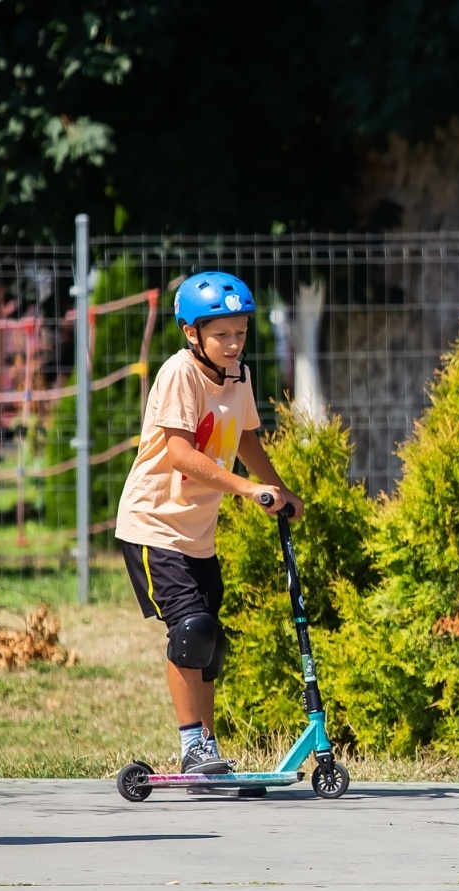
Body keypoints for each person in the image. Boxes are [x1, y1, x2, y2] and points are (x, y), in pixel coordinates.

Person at [115, 271, 304, 775]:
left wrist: (279, 489)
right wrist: (246, 489)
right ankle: (190, 746)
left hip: (197, 533)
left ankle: (208, 749)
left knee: (211, 643)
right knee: (190, 631)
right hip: (155, 524)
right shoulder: (179, 374)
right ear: (190, 332)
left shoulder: (237, 374)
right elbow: (179, 453)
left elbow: (245, 440)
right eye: (222, 334)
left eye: (240, 331)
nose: (234, 342)